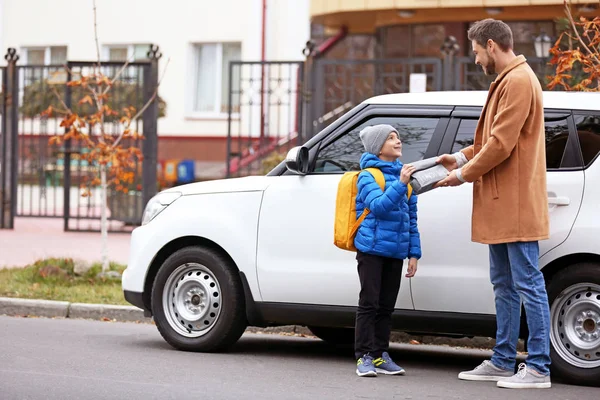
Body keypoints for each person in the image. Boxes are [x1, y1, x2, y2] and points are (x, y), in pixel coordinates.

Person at [436, 18, 551, 389]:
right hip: (505, 203)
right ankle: (503, 360)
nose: (475, 60)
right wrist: (461, 155)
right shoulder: (510, 79)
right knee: (504, 283)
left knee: (528, 283)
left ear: (490, 45)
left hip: (514, 202)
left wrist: (462, 174)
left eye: (475, 52)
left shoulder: (518, 81)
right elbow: (492, 138)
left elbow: (501, 145)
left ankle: (537, 367)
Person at [353, 124, 420, 377]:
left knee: (386, 306)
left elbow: (411, 220)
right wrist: (401, 183)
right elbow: (379, 207)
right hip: (371, 249)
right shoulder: (368, 176)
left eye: (398, 137)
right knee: (369, 303)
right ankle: (363, 357)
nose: (398, 141)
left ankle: (381, 355)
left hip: (396, 252)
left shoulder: (405, 178)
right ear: (377, 147)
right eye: (391, 138)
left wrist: (414, 253)